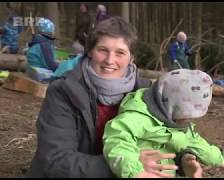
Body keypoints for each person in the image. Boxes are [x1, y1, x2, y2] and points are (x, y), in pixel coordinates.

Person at [26, 16, 201, 178]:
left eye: (120, 53)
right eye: (103, 50)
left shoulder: (147, 92)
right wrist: (125, 164)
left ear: (131, 58)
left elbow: (165, 138)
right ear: (90, 52)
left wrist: (181, 160)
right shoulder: (64, 91)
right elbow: (55, 161)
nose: (110, 60)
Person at [103, 69, 224, 178]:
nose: (188, 121)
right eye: (185, 115)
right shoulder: (137, 117)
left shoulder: (175, 122)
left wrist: (222, 162)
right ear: (171, 105)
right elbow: (117, 141)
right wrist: (137, 173)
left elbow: (195, 142)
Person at [25, 17, 59, 82]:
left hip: (31, 70)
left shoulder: (37, 41)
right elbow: (51, 65)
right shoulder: (45, 44)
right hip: (39, 74)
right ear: (50, 31)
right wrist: (63, 68)